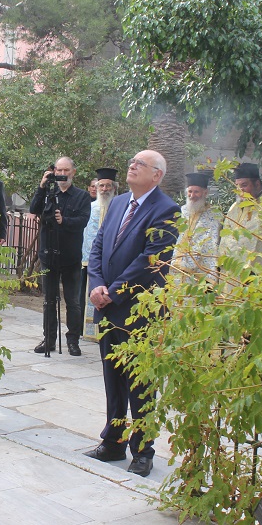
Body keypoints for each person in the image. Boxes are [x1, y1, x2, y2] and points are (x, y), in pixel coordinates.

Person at [85, 150, 180, 478]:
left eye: (141, 164)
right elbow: (98, 247)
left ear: (157, 175)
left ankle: (142, 450)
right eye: (132, 162)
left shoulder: (167, 210)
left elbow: (151, 261)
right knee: (112, 378)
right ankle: (113, 441)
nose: (132, 165)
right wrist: (96, 285)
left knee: (141, 383)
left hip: (139, 312)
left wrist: (112, 292)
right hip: (107, 306)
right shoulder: (118, 203)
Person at [29, 156, 91, 356]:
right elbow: (33, 209)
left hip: (70, 257)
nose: (62, 174)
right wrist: (41, 186)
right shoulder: (48, 193)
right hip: (49, 256)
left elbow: (83, 221)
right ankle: (49, 340)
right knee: (49, 300)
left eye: (66, 170)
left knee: (73, 302)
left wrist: (65, 221)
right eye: (59, 170)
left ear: (73, 172)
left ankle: (73, 340)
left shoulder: (82, 196)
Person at [218, 162, 262, 269]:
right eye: (237, 186)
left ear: (257, 184)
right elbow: (226, 238)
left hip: (258, 271)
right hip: (233, 269)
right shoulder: (234, 207)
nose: (240, 190)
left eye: (244, 185)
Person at [81, 168, 118, 338]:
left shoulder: (120, 208)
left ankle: (107, 332)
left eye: (108, 186)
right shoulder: (89, 208)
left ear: (114, 188)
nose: (104, 189)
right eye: (101, 186)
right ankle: (89, 332)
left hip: (112, 262)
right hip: (90, 261)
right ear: (96, 187)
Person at [171, 172, 221, 282]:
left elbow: (211, 242)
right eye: (190, 191)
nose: (192, 196)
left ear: (205, 193)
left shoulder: (214, 214)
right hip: (177, 267)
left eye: (196, 192)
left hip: (199, 271)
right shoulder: (182, 211)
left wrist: (189, 260)